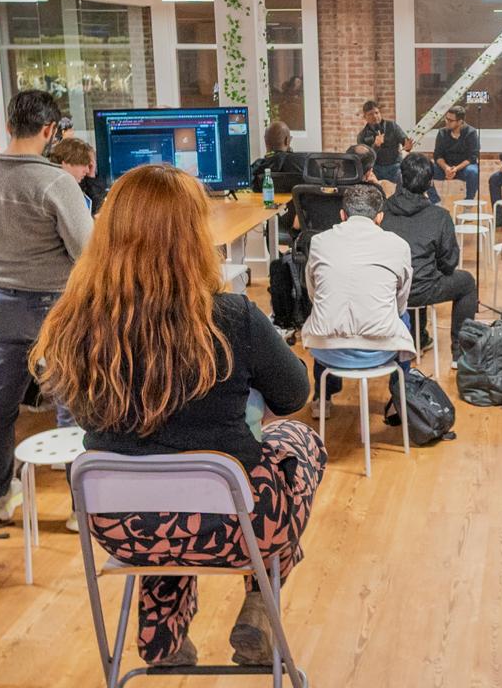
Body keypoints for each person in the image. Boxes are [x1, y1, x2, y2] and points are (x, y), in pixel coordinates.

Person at [30, 163, 325, 669]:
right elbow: (295, 393)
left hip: (121, 525)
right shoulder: (232, 317)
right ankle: (260, 597)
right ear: (192, 234)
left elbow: (78, 410)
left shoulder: (72, 323)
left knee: (162, 489)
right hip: (239, 528)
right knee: (300, 442)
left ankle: (161, 633)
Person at [0, 89, 94, 525]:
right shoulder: (56, 183)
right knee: (69, 401)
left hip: (2, 303)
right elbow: (87, 251)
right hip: (57, 306)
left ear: (10, 123)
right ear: (50, 130)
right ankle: (79, 511)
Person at [301, 184, 415, 405]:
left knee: (323, 313)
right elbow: (401, 301)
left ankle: (322, 397)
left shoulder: (319, 242)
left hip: (326, 350)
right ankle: (401, 400)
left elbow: (313, 293)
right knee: (404, 316)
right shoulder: (398, 245)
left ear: (342, 215)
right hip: (381, 351)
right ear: (380, 217)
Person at [381, 153, 478, 367]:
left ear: (401, 179)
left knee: (413, 273)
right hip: (424, 289)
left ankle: (417, 339)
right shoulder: (440, 216)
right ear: (430, 183)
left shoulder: (382, 211)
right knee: (467, 283)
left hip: (387, 289)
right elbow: (449, 262)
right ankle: (459, 355)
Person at [431, 105, 480, 204]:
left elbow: (472, 157)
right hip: (445, 168)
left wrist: (456, 169)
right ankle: (435, 202)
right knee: (425, 170)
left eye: (450, 120)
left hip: (463, 168)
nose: (447, 122)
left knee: (473, 172)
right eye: (446, 119)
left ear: (460, 121)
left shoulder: (471, 133)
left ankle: (468, 203)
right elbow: (437, 155)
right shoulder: (442, 133)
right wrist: (446, 168)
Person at [357, 100, 413, 185]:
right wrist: (376, 145)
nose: (375, 116)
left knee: (399, 189)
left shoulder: (392, 126)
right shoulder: (362, 135)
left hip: (395, 166)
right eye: (370, 114)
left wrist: (408, 146)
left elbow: (404, 141)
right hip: (376, 169)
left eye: (376, 113)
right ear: (365, 117)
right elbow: (365, 159)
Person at [251, 120, 307, 190]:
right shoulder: (304, 164)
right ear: (287, 140)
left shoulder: (256, 168)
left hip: (266, 200)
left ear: (265, 141)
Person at [47, 138, 97, 213]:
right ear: (67, 162)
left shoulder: (73, 187)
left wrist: (91, 176)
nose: (87, 170)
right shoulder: (54, 193)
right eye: (83, 164)